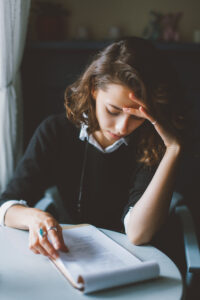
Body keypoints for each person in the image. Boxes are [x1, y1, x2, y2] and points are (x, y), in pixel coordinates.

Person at [0, 37, 185, 261]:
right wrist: (33, 217)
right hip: (77, 256)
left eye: (137, 116)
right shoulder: (55, 131)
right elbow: (7, 204)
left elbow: (138, 234)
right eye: (113, 110)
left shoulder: (151, 143)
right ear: (94, 89)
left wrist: (173, 149)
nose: (122, 127)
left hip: (142, 260)